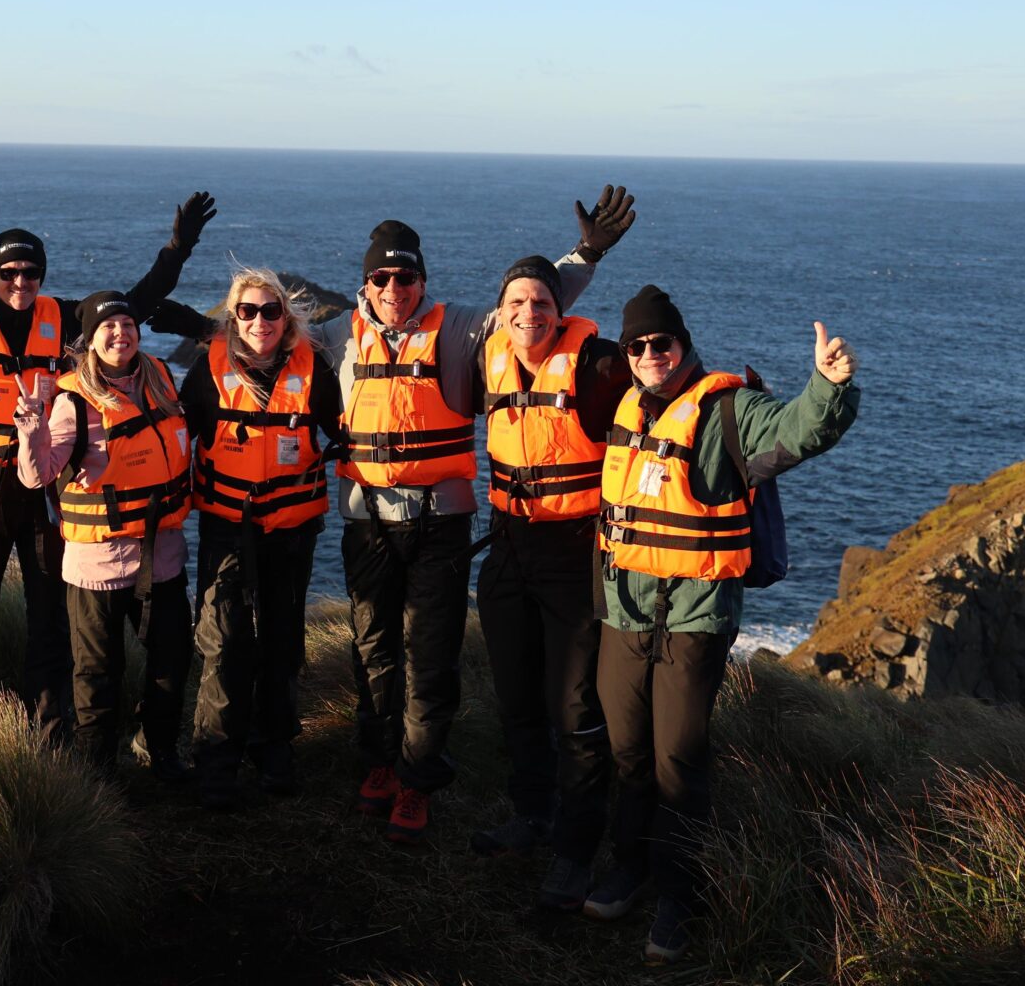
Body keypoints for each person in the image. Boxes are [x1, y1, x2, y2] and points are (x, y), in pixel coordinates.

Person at [332, 188, 636, 844]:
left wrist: (586, 254)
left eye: (406, 277)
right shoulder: (339, 337)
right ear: (366, 283)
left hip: (445, 524)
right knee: (373, 648)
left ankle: (420, 781)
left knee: (431, 653)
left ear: (423, 280)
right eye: (381, 278)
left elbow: (533, 310)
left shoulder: (461, 329)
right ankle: (382, 762)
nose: (394, 289)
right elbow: (264, 345)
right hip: (369, 522)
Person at [584, 285, 858, 964]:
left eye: (663, 342)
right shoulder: (623, 406)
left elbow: (799, 429)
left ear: (683, 344)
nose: (651, 354)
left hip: (694, 617)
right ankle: (629, 866)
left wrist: (827, 386)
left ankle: (680, 895)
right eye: (638, 346)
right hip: (623, 614)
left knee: (678, 760)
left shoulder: (729, 409)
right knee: (627, 753)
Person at [0, 193, 214, 747]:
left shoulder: (62, 320)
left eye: (31, 272)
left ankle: (52, 732)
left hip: (45, 495)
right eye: (9, 272)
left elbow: (134, 304)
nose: (21, 282)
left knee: (50, 617)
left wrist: (177, 250)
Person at [469, 256, 634, 912]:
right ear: (501, 311)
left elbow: (668, 390)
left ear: (559, 311)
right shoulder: (488, 359)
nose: (528, 313)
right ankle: (532, 814)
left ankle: (576, 849)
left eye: (541, 302)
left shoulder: (599, 366)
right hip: (507, 548)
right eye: (516, 302)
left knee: (575, 711)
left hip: (574, 554)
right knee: (516, 698)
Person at [178, 267, 345, 809]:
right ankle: (216, 760)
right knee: (224, 641)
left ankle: (274, 748)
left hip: (292, 530)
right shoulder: (207, 370)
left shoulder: (314, 368)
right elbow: (172, 435)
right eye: (247, 311)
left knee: (282, 639)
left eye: (271, 311)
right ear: (233, 317)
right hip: (227, 528)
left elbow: (345, 427)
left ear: (286, 317)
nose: (259, 322)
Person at [14, 293, 194, 781]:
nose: (120, 334)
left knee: (171, 658)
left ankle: (159, 750)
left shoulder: (160, 378)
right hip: (98, 563)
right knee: (97, 671)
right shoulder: (72, 399)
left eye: (127, 324)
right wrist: (31, 427)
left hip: (162, 555)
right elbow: (37, 476)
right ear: (90, 340)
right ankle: (98, 774)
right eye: (108, 327)